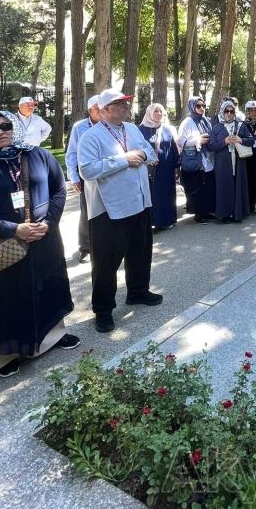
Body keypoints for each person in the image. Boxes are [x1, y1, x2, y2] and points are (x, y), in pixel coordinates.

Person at [0, 110, 78, 377]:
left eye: (5, 125)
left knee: (46, 287)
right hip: (3, 246)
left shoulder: (39, 155)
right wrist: (13, 229)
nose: (0, 132)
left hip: (42, 240)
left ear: (16, 126)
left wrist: (49, 222)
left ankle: (51, 338)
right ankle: (3, 356)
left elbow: (59, 190)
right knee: (6, 299)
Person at [78, 89, 161, 333]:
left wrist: (141, 154)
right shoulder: (91, 136)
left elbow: (151, 153)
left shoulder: (132, 129)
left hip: (139, 202)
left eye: (126, 103)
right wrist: (124, 160)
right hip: (110, 209)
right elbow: (87, 170)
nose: (126, 106)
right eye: (119, 103)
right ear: (104, 110)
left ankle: (138, 291)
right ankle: (103, 309)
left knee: (140, 252)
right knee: (106, 262)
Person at [65, 94, 101, 261]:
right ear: (90, 110)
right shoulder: (80, 127)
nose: (101, 111)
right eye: (97, 109)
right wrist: (74, 177)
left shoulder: (109, 124)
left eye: (103, 108)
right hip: (86, 174)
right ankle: (86, 247)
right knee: (87, 210)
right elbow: (72, 153)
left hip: (107, 172)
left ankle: (106, 243)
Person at [138, 103, 180, 231]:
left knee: (168, 194)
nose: (159, 114)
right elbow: (137, 147)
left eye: (161, 111)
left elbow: (173, 148)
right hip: (150, 169)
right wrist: (147, 159)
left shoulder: (166, 129)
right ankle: (154, 221)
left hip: (167, 169)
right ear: (149, 113)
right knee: (153, 194)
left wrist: (176, 166)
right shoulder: (141, 130)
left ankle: (168, 220)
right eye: (156, 111)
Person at [210, 100, 253, 222]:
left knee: (237, 185)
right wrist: (224, 142)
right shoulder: (217, 127)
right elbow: (211, 146)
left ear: (235, 112)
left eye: (232, 111)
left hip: (238, 163)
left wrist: (240, 140)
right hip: (222, 164)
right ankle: (225, 214)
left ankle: (238, 213)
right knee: (224, 187)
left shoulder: (240, 125)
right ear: (222, 112)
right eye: (226, 111)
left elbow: (251, 140)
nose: (229, 114)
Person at [177, 97, 216, 223]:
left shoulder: (206, 121)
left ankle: (206, 212)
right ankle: (198, 214)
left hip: (207, 158)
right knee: (197, 187)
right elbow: (180, 141)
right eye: (198, 106)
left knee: (207, 186)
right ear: (192, 106)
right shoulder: (187, 122)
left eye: (203, 106)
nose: (201, 108)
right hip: (194, 159)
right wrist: (198, 140)